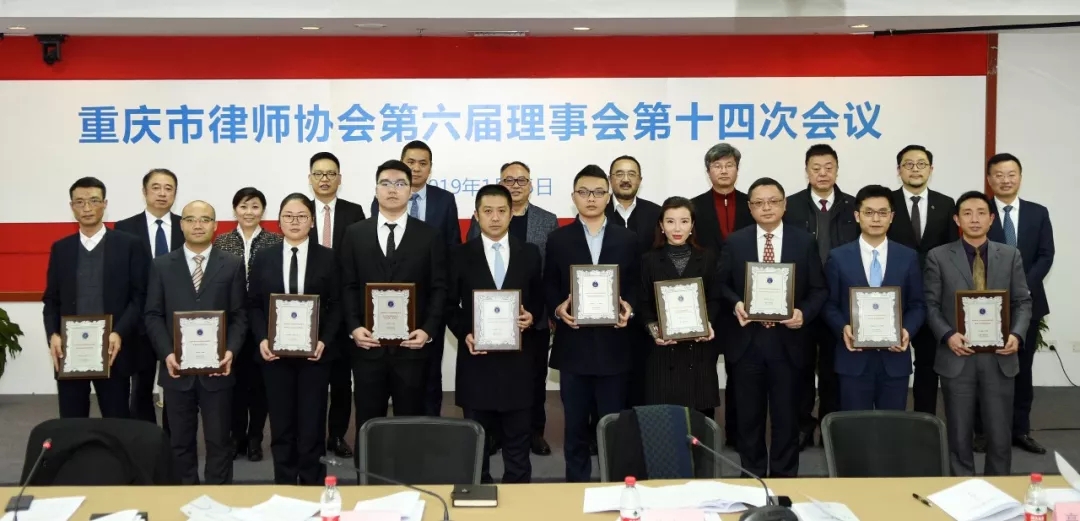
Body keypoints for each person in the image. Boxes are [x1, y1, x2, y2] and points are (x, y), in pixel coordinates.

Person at [717, 177, 827, 478]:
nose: (766, 208)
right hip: (747, 345)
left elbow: (819, 289)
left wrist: (803, 313)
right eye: (759, 203)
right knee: (748, 420)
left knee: (787, 419)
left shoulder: (803, 241)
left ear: (784, 204)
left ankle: (784, 480)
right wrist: (736, 304)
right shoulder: (735, 242)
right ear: (750, 208)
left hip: (789, 344)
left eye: (773, 201)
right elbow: (721, 285)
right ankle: (752, 478)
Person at [341, 159, 448, 463]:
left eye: (400, 184)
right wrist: (354, 327)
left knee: (409, 424)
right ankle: (367, 480)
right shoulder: (354, 233)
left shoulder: (429, 235)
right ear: (375, 189)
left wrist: (427, 330)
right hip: (367, 348)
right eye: (385, 183)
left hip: (411, 350)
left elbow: (440, 288)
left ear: (411, 190)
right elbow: (346, 285)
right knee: (368, 423)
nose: (392, 189)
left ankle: (408, 478)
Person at [924, 191, 1032, 477]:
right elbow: (931, 305)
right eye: (967, 213)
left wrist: (1016, 335)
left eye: (981, 213)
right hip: (957, 355)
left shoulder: (1010, 255)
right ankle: (963, 488)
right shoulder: (938, 256)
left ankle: (999, 489)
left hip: (1000, 356)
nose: (974, 219)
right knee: (959, 432)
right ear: (957, 219)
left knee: (999, 433)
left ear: (991, 218)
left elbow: (1023, 302)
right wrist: (948, 334)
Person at [544, 165, 638, 483]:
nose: (591, 198)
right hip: (574, 348)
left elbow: (636, 284)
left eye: (598, 192)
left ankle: (616, 485)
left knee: (613, 425)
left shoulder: (628, 239)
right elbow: (549, 284)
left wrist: (630, 308)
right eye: (584, 192)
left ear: (608, 196)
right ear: (574, 197)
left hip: (615, 347)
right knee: (575, 427)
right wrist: (558, 308)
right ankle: (577, 485)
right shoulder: (558, 239)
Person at [144, 200, 247, 485]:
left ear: (215, 225)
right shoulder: (162, 265)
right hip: (176, 370)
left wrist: (231, 351)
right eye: (190, 219)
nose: (197, 225)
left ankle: (218, 499)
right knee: (179, 442)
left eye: (205, 219)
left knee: (219, 441)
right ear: (181, 225)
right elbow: (152, 315)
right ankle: (184, 496)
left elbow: (240, 316)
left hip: (218, 370)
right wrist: (166, 353)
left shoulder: (232, 264)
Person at [447, 184, 543, 483]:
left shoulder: (530, 253)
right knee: (477, 444)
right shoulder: (459, 255)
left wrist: (532, 316)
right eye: (488, 211)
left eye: (502, 211)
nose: (495, 217)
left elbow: (539, 299)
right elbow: (448, 306)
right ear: (476, 215)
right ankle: (479, 495)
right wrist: (465, 332)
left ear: (512, 214)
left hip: (518, 364)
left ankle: (520, 497)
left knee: (518, 444)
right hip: (477, 362)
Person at [465, 161, 560, 456]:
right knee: (494, 379)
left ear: (531, 185)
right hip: (489, 322)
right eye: (509, 179)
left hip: (531, 318)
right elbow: (473, 270)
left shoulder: (547, 220)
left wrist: (537, 311)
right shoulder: (483, 220)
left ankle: (534, 432)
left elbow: (548, 272)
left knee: (534, 378)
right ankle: (495, 434)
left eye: (522, 180)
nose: (516, 185)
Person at [248, 193, 341, 485]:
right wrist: (262, 338)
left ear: (312, 222)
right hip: (275, 356)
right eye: (288, 216)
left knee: (312, 424)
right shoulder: (264, 257)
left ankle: (313, 484)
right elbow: (253, 305)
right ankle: (286, 484)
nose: (295, 221)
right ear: (279, 221)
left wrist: (324, 340)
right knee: (281, 425)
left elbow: (337, 305)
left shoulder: (328, 258)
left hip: (315, 356)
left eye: (302, 216)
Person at [371, 140, 463, 417]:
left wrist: (445, 295)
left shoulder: (444, 200)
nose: (417, 168)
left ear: (430, 168)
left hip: (430, 299)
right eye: (411, 162)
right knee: (395, 372)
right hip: (391, 303)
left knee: (431, 370)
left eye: (423, 163)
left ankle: (430, 425)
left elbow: (452, 249)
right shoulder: (383, 198)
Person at [42, 176, 147, 418]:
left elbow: (139, 297)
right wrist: (53, 334)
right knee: (72, 420)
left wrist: (119, 332)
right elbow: (51, 299)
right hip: (70, 350)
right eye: (79, 202)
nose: (87, 208)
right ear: (72, 207)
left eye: (93, 201)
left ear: (105, 204)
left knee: (116, 419)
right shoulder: (61, 248)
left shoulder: (129, 245)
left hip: (113, 349)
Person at [974, 153, 1055, 455]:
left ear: (1020, 177)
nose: (1005, 180)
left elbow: (1046, 255)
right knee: (984, 370)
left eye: (1011, 174)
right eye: (998, 175)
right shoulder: (980, 211)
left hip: (1028, 303)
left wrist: (1020, 286)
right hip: (985, 304)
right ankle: (983, 431)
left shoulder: (1038, 212)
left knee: (1022, 369)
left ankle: (1020, 429)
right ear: (989, 179)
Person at [822, 184, 926, 411]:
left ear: (892, 217)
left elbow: (918, 304)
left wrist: (907, 330)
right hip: (853, 359)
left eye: (882, 212)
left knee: (891, 425)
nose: (876, 219)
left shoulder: (908, 257)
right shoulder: (838, 257)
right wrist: (843, 328)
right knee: (854, 425)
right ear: (857, 216)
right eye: (869, 212)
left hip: (895, 359)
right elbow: (829, 304)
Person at [783, 144, 858, 449]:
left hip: (840, 302)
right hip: (802, 301)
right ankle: (802, 427)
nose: (823, 173)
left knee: (833, 369)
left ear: (837, 170)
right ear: (806, 171)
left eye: (829, 167)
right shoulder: (790, 206)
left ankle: (830, 428)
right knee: (800, 368)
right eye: (816, 168)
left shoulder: (853, 206)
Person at [689, 143, 755, 448]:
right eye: (717, 166)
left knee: (740, 372)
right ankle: (703, 435)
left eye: (729, 165)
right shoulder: (694, 207)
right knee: (703, 371)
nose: (724, 170)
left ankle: (738, 434)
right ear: (708, 171)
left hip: (744, 300)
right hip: (705, 301)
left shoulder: (753, 203)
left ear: (737, 169)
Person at [885, 145, 957, 416]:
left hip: (931, 297)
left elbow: (952, 251)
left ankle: (924, 422)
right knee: (892, 362)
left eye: (921, 164)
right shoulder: (887, 202)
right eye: (908, 164)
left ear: (931, 169)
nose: (915, 169)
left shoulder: (946, 203)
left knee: (927, 365)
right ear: (899, 170)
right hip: (893, 298)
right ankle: (890, 420)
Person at [212, 187, 282, 462]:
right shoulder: (222, 242)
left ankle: (255, 438)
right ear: (235, 210)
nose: (249, 212)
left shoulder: (275, 242)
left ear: (262, 211)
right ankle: (236, 436)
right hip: (232, 323)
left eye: (255, 206)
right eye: (243, 206)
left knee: (261, 385)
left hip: (264, 321)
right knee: (236, 384)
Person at [307, 151, 367, 460]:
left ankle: (337, 435)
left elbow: (360, 257)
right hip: (308, 308)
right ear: (310, 178)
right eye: (319, 173)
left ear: (339, 179)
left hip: (344, 306)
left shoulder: (354, 211)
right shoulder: (301, 211)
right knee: (312, 379)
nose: (325, 179)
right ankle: (312, 436)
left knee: (342, 379)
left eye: (331, 173)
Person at [115, 169, 184, 430]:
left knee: (176, 384)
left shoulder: (186, 225)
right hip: (140, 319)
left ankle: (171, 439)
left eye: (168, 188)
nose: (162, 193)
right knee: (141, 385)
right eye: (156, 187)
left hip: (177, 320)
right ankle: (145, 438)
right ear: (144, 191)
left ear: (175, 193)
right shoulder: (125, 228)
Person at [638, 196, 721, 414]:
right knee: (664, 422)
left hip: (698, 351)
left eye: (684, 221)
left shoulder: (708, 257)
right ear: (661, 225)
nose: (677, 228)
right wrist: (654, 329)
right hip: (663, 352)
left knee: (700, 421)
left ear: (692, 225)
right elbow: (643, 303)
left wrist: (708, 323)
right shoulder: (648, 260)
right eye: (670, 221)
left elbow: (715, 298)